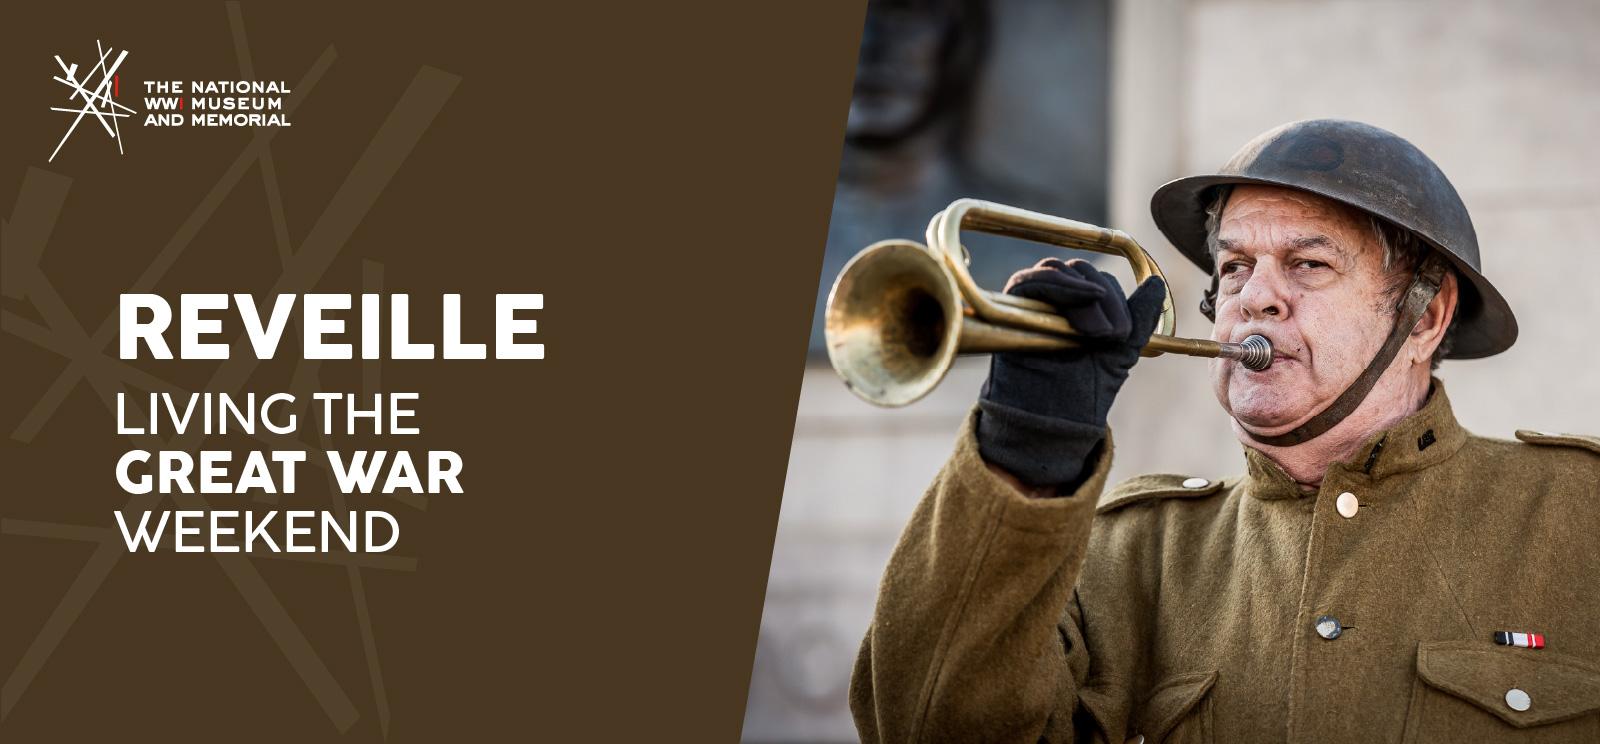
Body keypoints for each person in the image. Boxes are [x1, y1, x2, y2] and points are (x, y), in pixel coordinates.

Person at [848, 119, 1600, 743]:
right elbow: (925, 725)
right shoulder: (1131, 551)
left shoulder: (1578, 513)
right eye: (1235, 267)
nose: (1255, 298)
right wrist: (1023, 452)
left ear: (1425, 317)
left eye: (1307, 264)